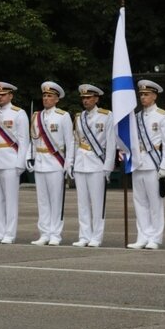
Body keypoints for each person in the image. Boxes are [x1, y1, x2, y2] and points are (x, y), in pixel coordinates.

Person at [27, 81, 74, 246]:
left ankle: (55, 234)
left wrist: (69, 163)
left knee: (56, 200)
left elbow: (70, 142)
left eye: (50, 96)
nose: (46, 99)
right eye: (44, 95)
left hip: (55, 163)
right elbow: (33, 140)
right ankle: (44, 233)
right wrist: (29, 156)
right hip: (40, 162)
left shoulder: (63, 116)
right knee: (43, 201)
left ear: (57, 99)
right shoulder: (36, 116)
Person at [129, 79, 165, 249]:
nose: (143, 98)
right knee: (139, 203)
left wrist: (164, 166)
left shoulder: (163, 116)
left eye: (146, 94)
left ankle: (155, 237)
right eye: (141, 95)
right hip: (138, 163)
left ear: (154, 96)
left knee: (155, 203)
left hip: (153, 163)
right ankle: (142, 236)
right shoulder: (136, 117)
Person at [0, 82, 29, 244]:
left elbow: (24, 141)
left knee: (10, 200)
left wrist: (20, 163)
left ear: (10, 96)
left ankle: (9, 233)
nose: (0, 97)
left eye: (3, 94)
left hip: (10, 160)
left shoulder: (19, 113)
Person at [71, 84, 116, 248]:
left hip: (97, 163)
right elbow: (74, 141)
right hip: (81, 162)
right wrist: (71, 162)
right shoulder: (78, 117)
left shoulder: (106, 116)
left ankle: (96, 236)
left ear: (96, 99)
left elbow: (111, 143)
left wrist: (108, 167)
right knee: (82, 203)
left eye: (89, 98)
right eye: (83, 98)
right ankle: (84, 235)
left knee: (97, 203)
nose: (85, 101)